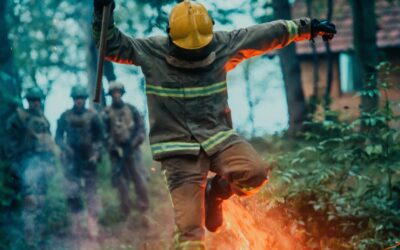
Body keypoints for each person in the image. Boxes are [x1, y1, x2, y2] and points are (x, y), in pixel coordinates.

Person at [92, 0, 336, 248]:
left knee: (256, 173)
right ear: (170, 36)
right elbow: (111, 44)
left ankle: (216, 192)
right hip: (178, 151)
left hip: (219, 138)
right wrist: (103, 11)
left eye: (200, 47)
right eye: (189, 49)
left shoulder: (224, 44)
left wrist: (309, 27)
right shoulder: (150, 51)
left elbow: (267, 34)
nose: (195, 53)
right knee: (190, 238)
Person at [6, 86, 57, 248]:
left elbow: (49, 144)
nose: (35, 103)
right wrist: (17, 166)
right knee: (30, 202)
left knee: (41, 201)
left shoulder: (43, 119)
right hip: (25, 166)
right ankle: (29, 240)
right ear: (27, 101)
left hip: (42, 166)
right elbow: (9, 145)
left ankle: (40, 237)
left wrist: (51, 164)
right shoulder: (17, 119)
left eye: (37, 100)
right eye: (32, 100)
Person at [55, 84, 104, 239]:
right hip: (71, 161)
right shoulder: (65, 116)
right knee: (72, 193)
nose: (79, 101)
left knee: (91, 193)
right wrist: (64, 148)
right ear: (73, 99)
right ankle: (76, 224)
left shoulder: (93, 116)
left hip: (88, 159)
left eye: (81, 98)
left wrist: (96, 154)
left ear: (84, 99)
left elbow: (101, 138)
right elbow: (57, 136)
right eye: (76, 98)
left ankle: (92, 225)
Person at [102, 81, 149, 225]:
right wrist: (113, 147)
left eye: (118, 93)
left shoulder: (132, 109)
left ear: (122, 94)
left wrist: (134, 143)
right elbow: (103, 134)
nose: (116, 95)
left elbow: (141, 130)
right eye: (113, 93)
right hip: (116, 154)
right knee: (122, 185)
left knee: (140, 181)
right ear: (110, 95)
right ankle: (126, 215)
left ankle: (144, 213)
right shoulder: (106, 113)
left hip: (133, 152)